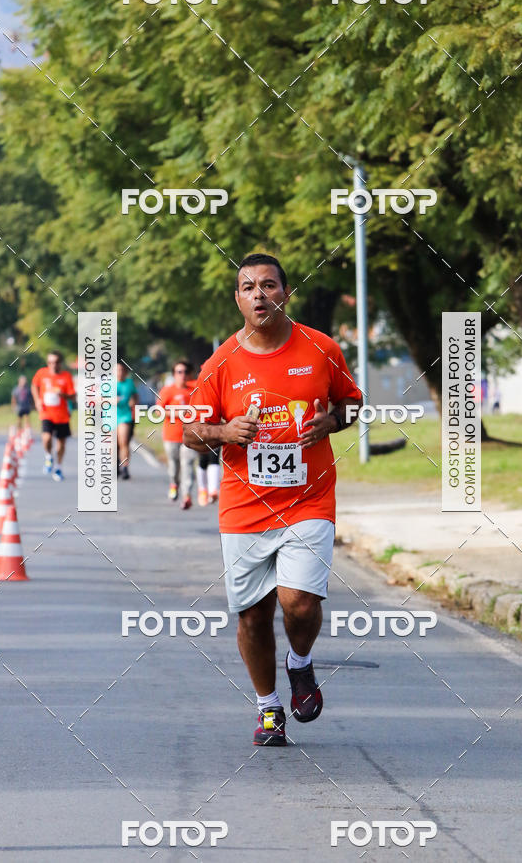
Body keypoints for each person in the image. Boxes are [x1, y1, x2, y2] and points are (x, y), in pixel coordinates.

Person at [184, 252, 362, 747]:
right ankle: (267, 706)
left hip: (309, 499)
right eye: (248, 287)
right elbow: (188, 434)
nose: (259, 294)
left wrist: (334, 421)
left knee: (298, 602)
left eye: (268, 285)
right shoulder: (221, 362)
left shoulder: (320, 347)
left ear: (286, 292)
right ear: (237, 299)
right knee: (254, 615)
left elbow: (351, 402)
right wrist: (224, 430)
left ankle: (300, 665)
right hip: (245, 508)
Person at [158, 360, 198, 508]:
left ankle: (187, 495)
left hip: (189, 436)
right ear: (174, 374)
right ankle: (174, 483)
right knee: (174, 465)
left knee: (187, 463)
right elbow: (158, 411)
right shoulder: (167, 391)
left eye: (185, 372)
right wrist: (176, 412)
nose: (182, 375)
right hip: (171, 436)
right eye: (179, 372)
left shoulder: (193, 390)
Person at [31, 351, 76, 481]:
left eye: (55, 362)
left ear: (60, 363)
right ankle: (48, 456)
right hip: (46, 413)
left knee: (61, 444)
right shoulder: (42, 373)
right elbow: (34, 385)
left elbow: (73, 396)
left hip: (62, 415)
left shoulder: (66, 376)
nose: (53, 365)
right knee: (47, 438)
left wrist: (64, 395)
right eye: (50, 362)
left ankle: (59, 467)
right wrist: (37, 401)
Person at [116, 362, 138, 480]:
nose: (119, 373)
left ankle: (125, 467)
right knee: (113, 444)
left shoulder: (129, 383)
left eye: (121, 370)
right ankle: (116, 464)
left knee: (123, 441)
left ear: (125, 372)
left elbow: (135, 396)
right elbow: (98, 398)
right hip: (111, 416)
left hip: (125, 415)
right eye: (117, 370)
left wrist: (134, 402)